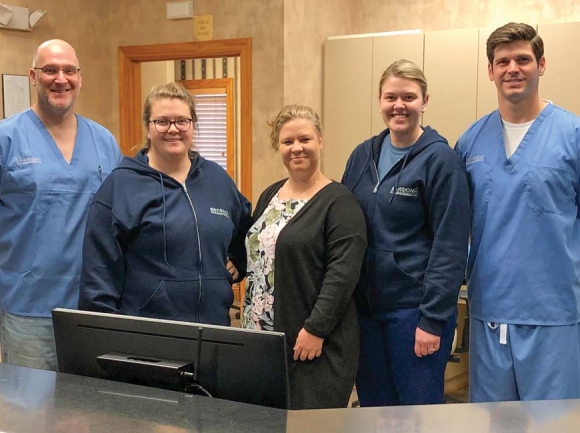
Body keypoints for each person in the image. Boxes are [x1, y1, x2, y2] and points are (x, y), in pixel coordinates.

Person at [455, 23, 580, 402]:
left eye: (523, 59)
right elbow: (456, 228)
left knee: (553, 425)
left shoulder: (571, 133)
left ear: (541, 65)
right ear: (490, 71)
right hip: (489, 310)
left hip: (554, 313)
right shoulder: (470, 141)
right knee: (491, 424)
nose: (513, 68)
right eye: (503, 61)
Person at [342, 59, 470, 406]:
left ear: (424, 101)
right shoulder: (361, 155)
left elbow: (451, 245)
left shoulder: (440, 161)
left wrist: (432, 320)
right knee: (374, 411)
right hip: (366, 313)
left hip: (413, 313)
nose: (399, 106)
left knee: (417, 415)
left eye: (409, 97)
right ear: (380, 101)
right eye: (390, 97)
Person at [79, 82, 250, 325]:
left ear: (192, 125)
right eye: (162, 121)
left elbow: (247, 228)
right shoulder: (121, 186)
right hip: (150, 335)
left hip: (214, 329)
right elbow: (98, 273)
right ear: (148, 128)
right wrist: (106, 334)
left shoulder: (216, 179)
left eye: (182, 121)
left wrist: (238, 261)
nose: (173, 129)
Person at [0, 40, 122, 371]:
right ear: (32, 76)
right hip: (27, 309)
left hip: (93, 307)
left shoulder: (104, 141)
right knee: (31, 414)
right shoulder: (6, 139)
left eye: (69, 70)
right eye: (50, 70)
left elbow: (122, 219)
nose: (60, 79)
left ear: (80, 78)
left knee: (87, 414)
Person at [241, 104, 367, 409]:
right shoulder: (270, 195)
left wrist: (315, 329)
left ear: (320, 141)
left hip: (310, 343)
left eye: (305, 139)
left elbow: (343, 274)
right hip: (261, 338)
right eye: (287, 142)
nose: (297, 148)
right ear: (278, 147)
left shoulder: (339, 203)